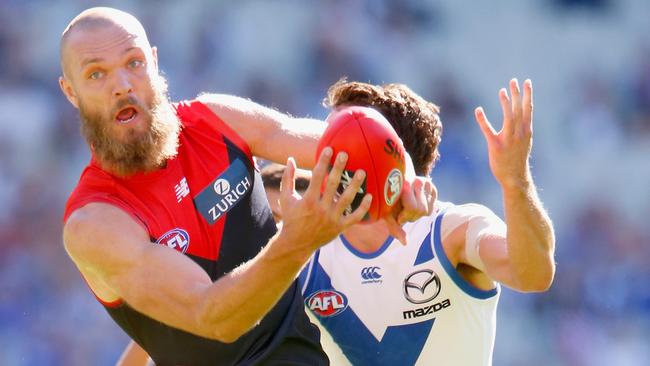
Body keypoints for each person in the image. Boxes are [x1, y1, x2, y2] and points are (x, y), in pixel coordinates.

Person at [59, 7, 431, 366]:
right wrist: (297, 240)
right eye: (96, 74)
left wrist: (401, 182)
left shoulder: (215, 120)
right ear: (71, 92)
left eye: (133, 62)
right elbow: (215, 319)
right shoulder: (94, 223)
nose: (122, 85)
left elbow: (343, 147)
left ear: (154, 62)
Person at [297, 79, 556, 365]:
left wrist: (515, 182)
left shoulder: (449, 232)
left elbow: (534, 275)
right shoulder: (301, 251)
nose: (322, 155)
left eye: (341, 141)